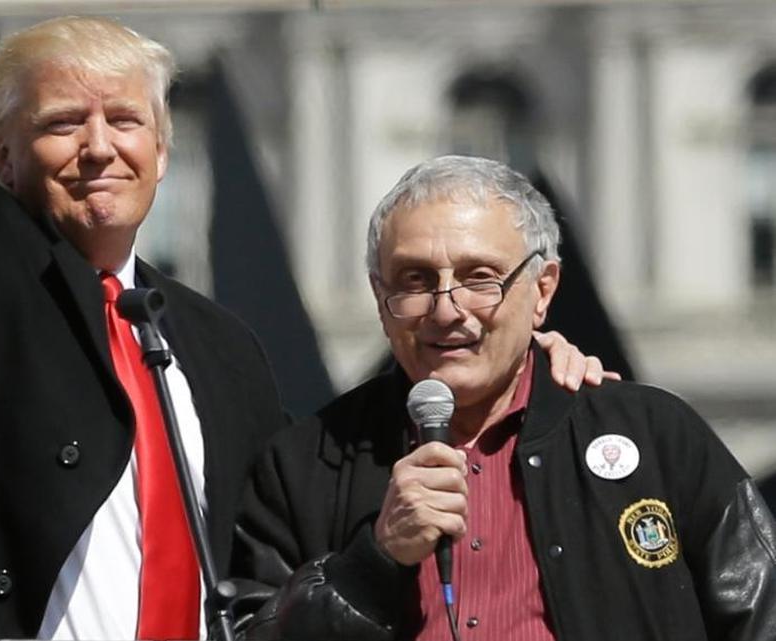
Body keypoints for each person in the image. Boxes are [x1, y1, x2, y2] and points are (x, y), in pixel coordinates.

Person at [0, 4, 610, 639]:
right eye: (61, 123)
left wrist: (512, 364)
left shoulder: (217, 345)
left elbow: (323, 488)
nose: (99, 146)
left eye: (125, 120)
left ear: (163, 151)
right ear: (3, 154)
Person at [232, 155, 776, 641]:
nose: (447, 309)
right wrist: (375, 560)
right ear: (381, 297)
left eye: (480, 278)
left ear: (542, 292)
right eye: (416, 280)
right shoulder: (305, 462)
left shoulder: (653, 436)